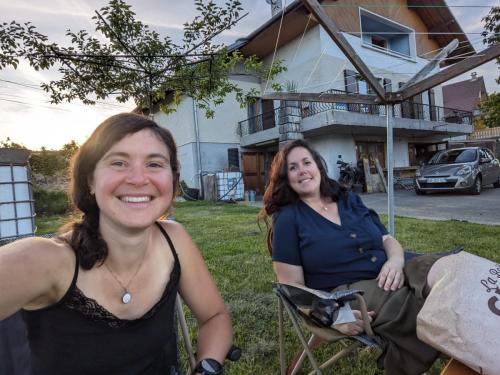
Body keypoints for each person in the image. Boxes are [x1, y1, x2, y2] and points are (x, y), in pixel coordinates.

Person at [0, 113, 232, 375]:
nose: (138, 178)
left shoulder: (174, 239)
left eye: (154, 164)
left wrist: (207, 367)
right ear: (90, 180)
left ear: (172, 179)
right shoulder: (46, 260)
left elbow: (215, 317)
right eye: (119, 162)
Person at [260, 139, 451, 375]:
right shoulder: (288, 219)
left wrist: (395, 260)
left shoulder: (347, 199)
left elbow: (386, 239)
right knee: (435, 311)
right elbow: (291, 287)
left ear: (318, 166)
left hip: (398, 264)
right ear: (285, 177)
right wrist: (333, 314)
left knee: (455, 271)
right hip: (353, 289)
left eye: (306, 162)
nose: (302, 171)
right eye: (293, 167)